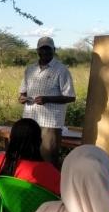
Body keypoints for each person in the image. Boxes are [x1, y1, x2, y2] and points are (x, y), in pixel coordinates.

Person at [18, 36, 75, 165]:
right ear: (37, 51)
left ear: (54, 50)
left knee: (48, 159)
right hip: (29, 121)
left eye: (48, 49)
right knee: (29, 157)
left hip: (50, 124)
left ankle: (50, 184)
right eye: (42, 49)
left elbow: (71, 97)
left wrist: (47, 99)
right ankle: (31, 183)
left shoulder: (61, 70)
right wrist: (22, 98)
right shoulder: (30, 69)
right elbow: (22, 93)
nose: (45, 52)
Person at [0, 118, 61, 195]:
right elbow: (63, 193)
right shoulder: (47, 170)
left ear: (11, 138)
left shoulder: (1, 159)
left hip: (5, 206)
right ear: (39, 141)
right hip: (38, 206)